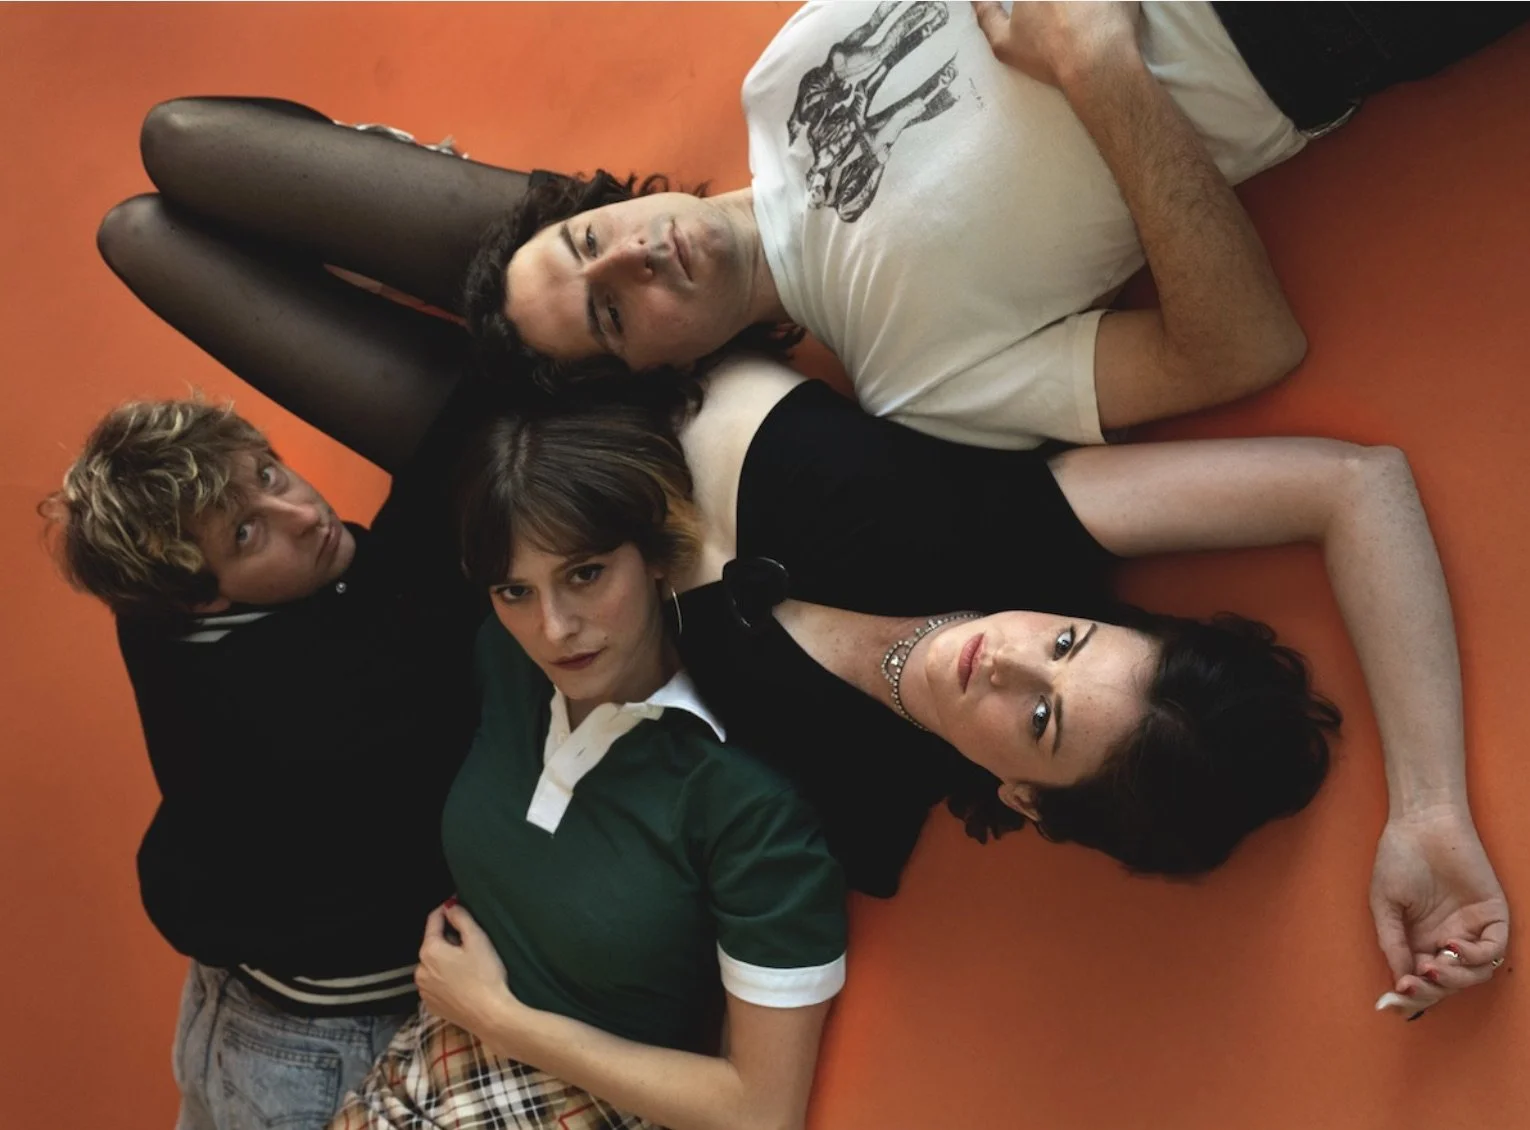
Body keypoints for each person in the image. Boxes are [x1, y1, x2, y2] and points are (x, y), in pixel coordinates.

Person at [112, 95, 1505, 1023]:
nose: (1014, 649)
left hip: (480, 463)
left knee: (149, 251)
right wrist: (1429, 808)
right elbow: (1350, 486)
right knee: (182, 152)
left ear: (1019, 796)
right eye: (1071, 642)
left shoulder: (850, 800)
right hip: (607, 331)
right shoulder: (1023, 534)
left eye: (1037, 712)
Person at [469, 1, 1526, 449]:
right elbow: (1245, 347)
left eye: (587, 239)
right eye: (610, 315)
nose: (633, 256)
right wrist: (1098, 67)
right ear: (663, 374)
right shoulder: (917, 382)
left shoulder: (774, 75)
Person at [331, 403, 847, 1130]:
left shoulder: (745, 801)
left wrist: (498, 1017)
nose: (554, 628)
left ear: (659, 554)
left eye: (586, 573)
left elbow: (762, 1112)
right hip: (410, 1080)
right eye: (515, 591)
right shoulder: (506, 662)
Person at [41, 388, 486, 1128]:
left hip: (232, 1003)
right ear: (197, 601)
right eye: (247, 534)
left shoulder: (154, 624)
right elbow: (421, 579)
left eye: (270, 475)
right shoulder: (300, 695)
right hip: (323, 1046)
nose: (306, 515)